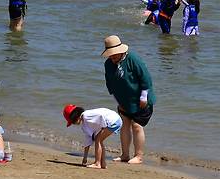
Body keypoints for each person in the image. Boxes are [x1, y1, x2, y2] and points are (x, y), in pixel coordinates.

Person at [102, 35, 155, 165]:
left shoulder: (133, 59)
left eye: (114, 55)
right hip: (124, 101)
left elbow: (146, 78)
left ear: (121, 51)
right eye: (110, 55)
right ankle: (125, 154)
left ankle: (139, 156)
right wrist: (118, 100)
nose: (112, 57)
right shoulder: (108, 64)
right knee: (124, 125)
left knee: (137, 126)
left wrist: (143, 96)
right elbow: (110, 83)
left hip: (142, 100)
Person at [63, 104, 123, 169]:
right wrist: (85, 157)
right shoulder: (84, 124)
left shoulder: (86, 116)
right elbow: (88, 140)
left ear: (74, 117)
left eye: (72, 122)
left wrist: (104, 126)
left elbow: (101, 115)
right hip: (113, 120)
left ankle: (97, 163)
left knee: (98, 140)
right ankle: (103, 163)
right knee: (98, 139)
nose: (73, 124)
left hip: (114, 121)